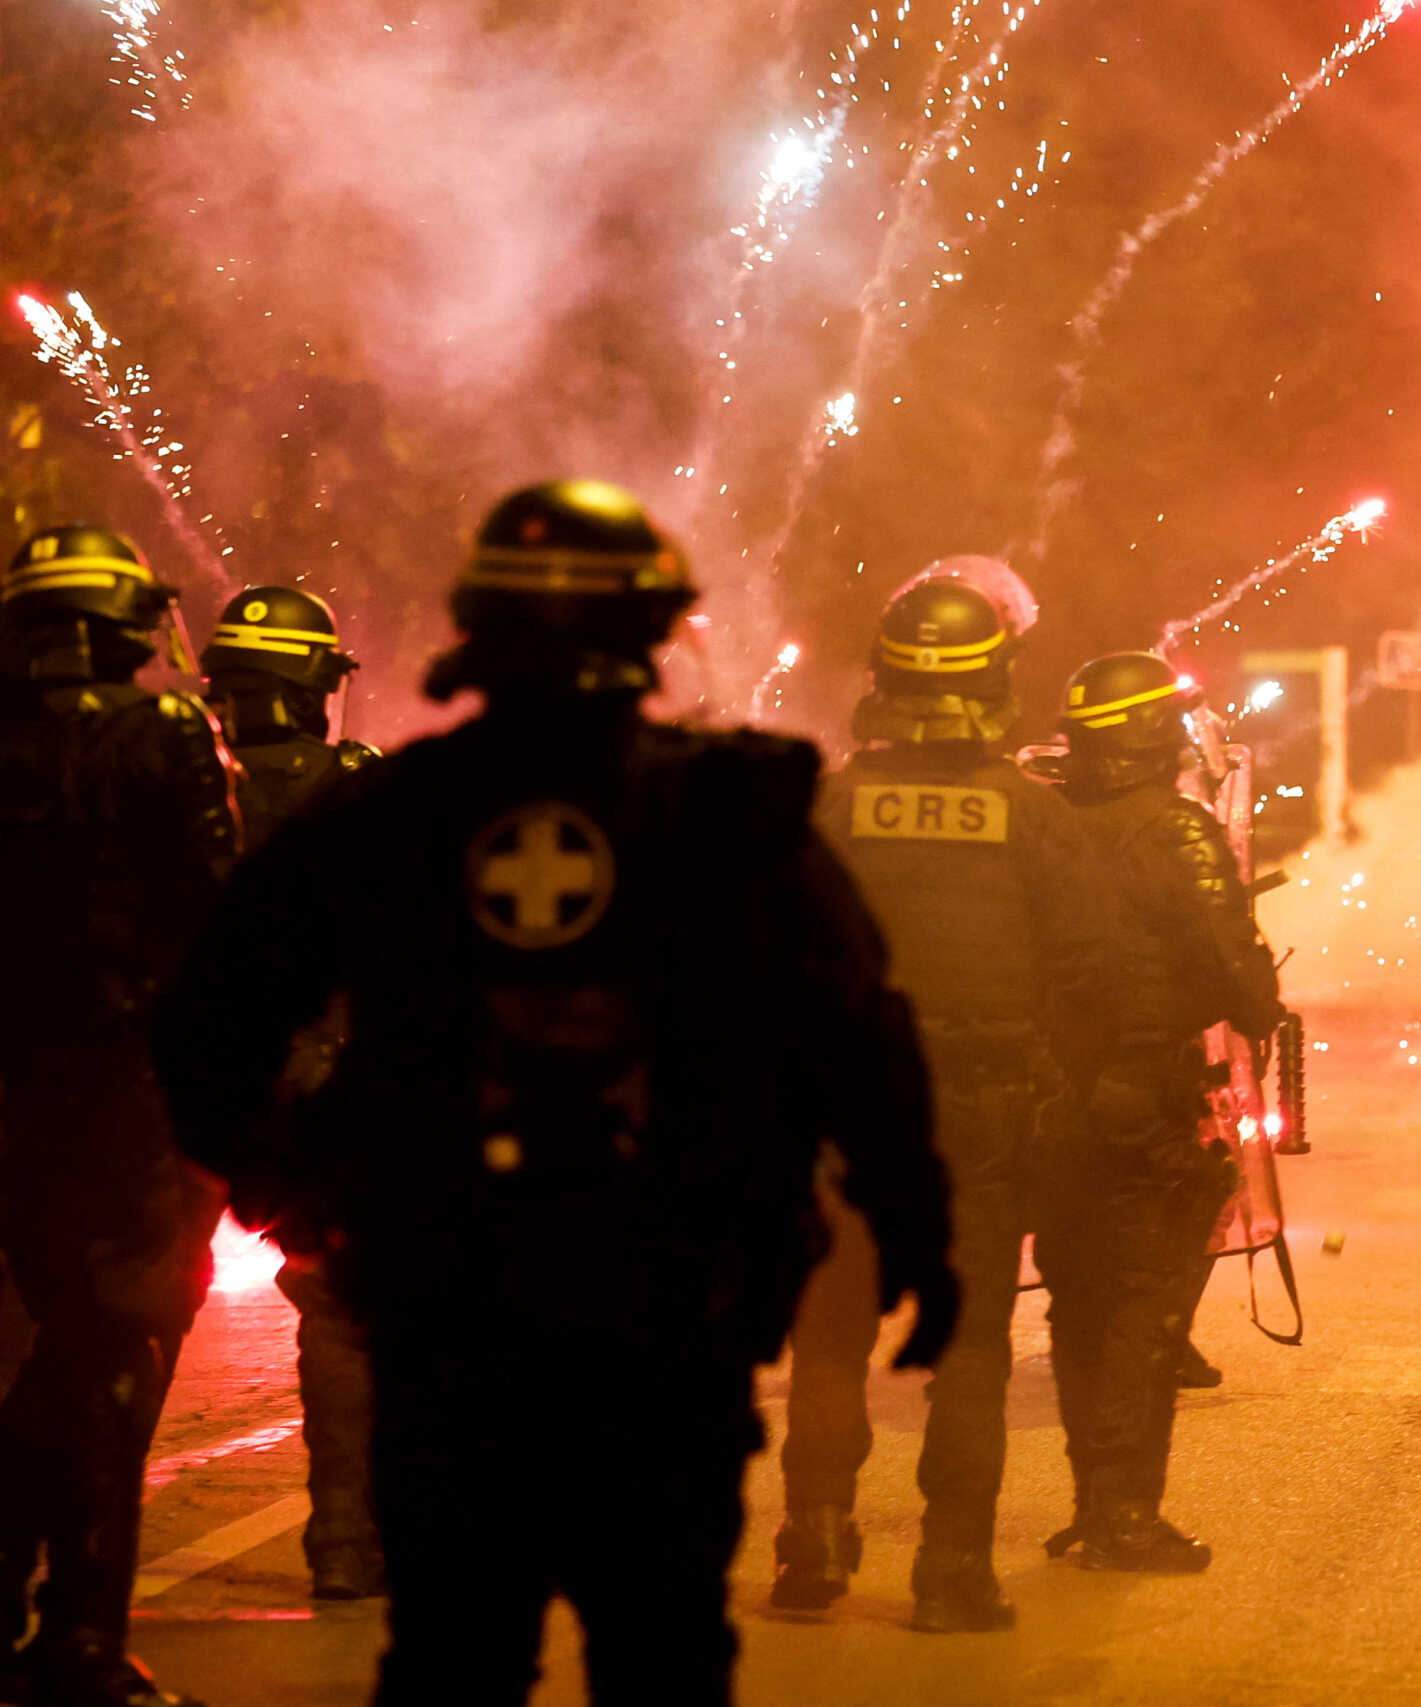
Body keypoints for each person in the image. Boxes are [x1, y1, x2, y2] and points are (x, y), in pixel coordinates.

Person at [149, 480, 959, 1705]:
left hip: (446, 1300)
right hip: (670, 1311)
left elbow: (205, 1024)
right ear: (653, 634)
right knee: (662, 1652)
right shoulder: (732, 812)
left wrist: (295, 1197)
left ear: (473, 627)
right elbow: (856, 1033)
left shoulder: (386, 813)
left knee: (456, 1656)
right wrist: (916, 1234)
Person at [773, 566, 1112, 1632]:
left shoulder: (823, 806)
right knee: (966, 1349)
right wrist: (1057, 1079)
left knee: (830, 1338)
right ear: (997, 683)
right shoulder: (1030, 816)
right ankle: (954, 1573)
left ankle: (813, 1549)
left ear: (883, 682)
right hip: (981, 1115)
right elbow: (1092, 969)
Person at [0, 525, 237, 1707]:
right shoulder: (163, 737)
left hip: (14, 1093)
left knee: (58, 1343)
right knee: (117, 1359)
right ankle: (77, 1637)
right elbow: (214, 920)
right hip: (132, 1098)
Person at [1038, 652, 1282, 1571]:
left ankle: (1090, 1502)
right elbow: (1232, 960)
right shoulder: (1179, 833)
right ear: (1152, 735)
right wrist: (1267, 1008)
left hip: (1050, 1102)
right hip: (1143, 1102)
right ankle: (1123, 1515)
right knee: (1145, 1314)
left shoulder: (1044, 824)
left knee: (1078, 1306)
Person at [198, 585, 385, 1600]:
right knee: (344, 1310)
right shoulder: (364, 795)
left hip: (163, 1084)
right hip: (327, 1092)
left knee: (98, 1328)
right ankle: (349, 1541)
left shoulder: (164, 780)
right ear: (321, 687)